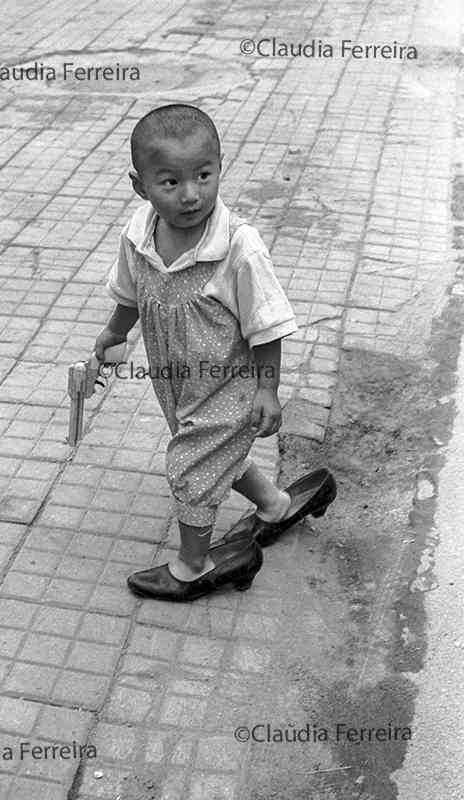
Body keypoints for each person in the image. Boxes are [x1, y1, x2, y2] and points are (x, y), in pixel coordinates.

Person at [94, 104, 335, 601]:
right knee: (212, 455)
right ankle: (274, 505)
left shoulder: (238, 248)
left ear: (220, 166)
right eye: (170, 182)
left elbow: (266, 325)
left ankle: (194, 564)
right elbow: (129, 295)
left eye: (204, 176)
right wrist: (114, 334)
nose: (191, 194)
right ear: (141, 186)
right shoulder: (139, 235)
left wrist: (268, 389)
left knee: (190, 465)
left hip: (231, 384)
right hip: (178, 382)